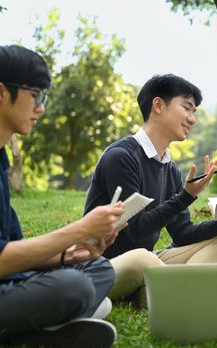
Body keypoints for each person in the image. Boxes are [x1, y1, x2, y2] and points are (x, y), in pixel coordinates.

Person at [84, 73, 217, 305]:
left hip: (149, 262)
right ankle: (166, 291)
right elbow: (136, 230)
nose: (192, 119)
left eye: (194, 112)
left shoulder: (170, 169)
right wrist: (186, 196)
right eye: (187, 108)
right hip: (107, 266)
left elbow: (183, 233)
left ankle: (160, 291)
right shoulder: (121, 157)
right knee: (143, 258)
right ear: (159, 105)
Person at [0, 45, 125, 347]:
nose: (41, 108)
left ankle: (37, 332)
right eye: (36, 96)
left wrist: (66, 255)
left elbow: (14, 249)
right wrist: (83, 228)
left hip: (12, 283)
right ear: (3, 92)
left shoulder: (1, 162)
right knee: (73, 288)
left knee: (98, 268)